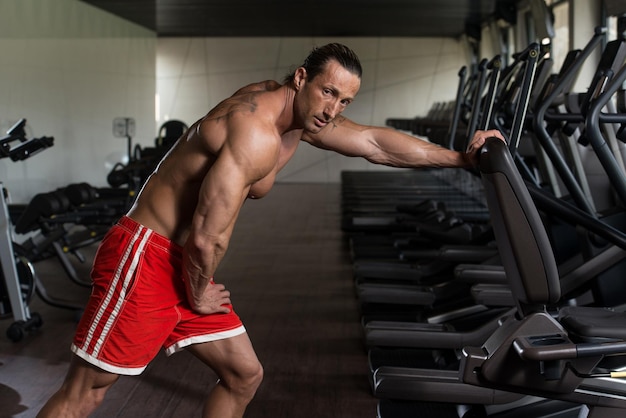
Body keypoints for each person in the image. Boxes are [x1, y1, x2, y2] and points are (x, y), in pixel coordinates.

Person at [38, 43, 504, 418]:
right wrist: (198, 293)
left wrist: (462, 159)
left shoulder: (298, 118)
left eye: (344, 100)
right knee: (87, 392)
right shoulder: (256, 128)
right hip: (145, 257)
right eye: (328, 92)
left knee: (243, 375)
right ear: (301, 77)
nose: (333, 109)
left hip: (185, 263)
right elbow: (206, 235)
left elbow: (374, 143)